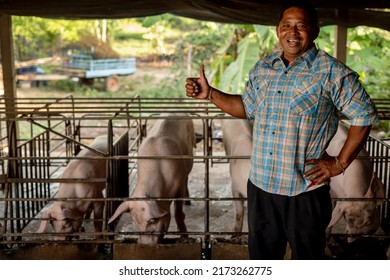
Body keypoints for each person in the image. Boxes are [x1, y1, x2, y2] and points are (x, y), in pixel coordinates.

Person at [185, 0, 378, 259]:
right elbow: (246, 107)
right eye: (287, 25)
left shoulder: (333, 72)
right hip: (261, 185)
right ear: (277, 30)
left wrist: (339, 163)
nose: (293, 32)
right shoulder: (263, 69)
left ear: (316, 31)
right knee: (263, 259)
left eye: (301, 26)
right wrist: (211, 94)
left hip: (305, 191)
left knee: (306, 260)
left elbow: (364, 114)